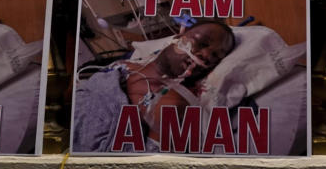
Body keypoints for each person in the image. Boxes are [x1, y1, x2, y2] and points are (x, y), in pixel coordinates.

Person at [72, 21, 235, 152]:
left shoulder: (173, 105)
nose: (205, 55)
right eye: (202, 43)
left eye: (214, 56)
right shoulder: (123, 66)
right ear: (179, 37)